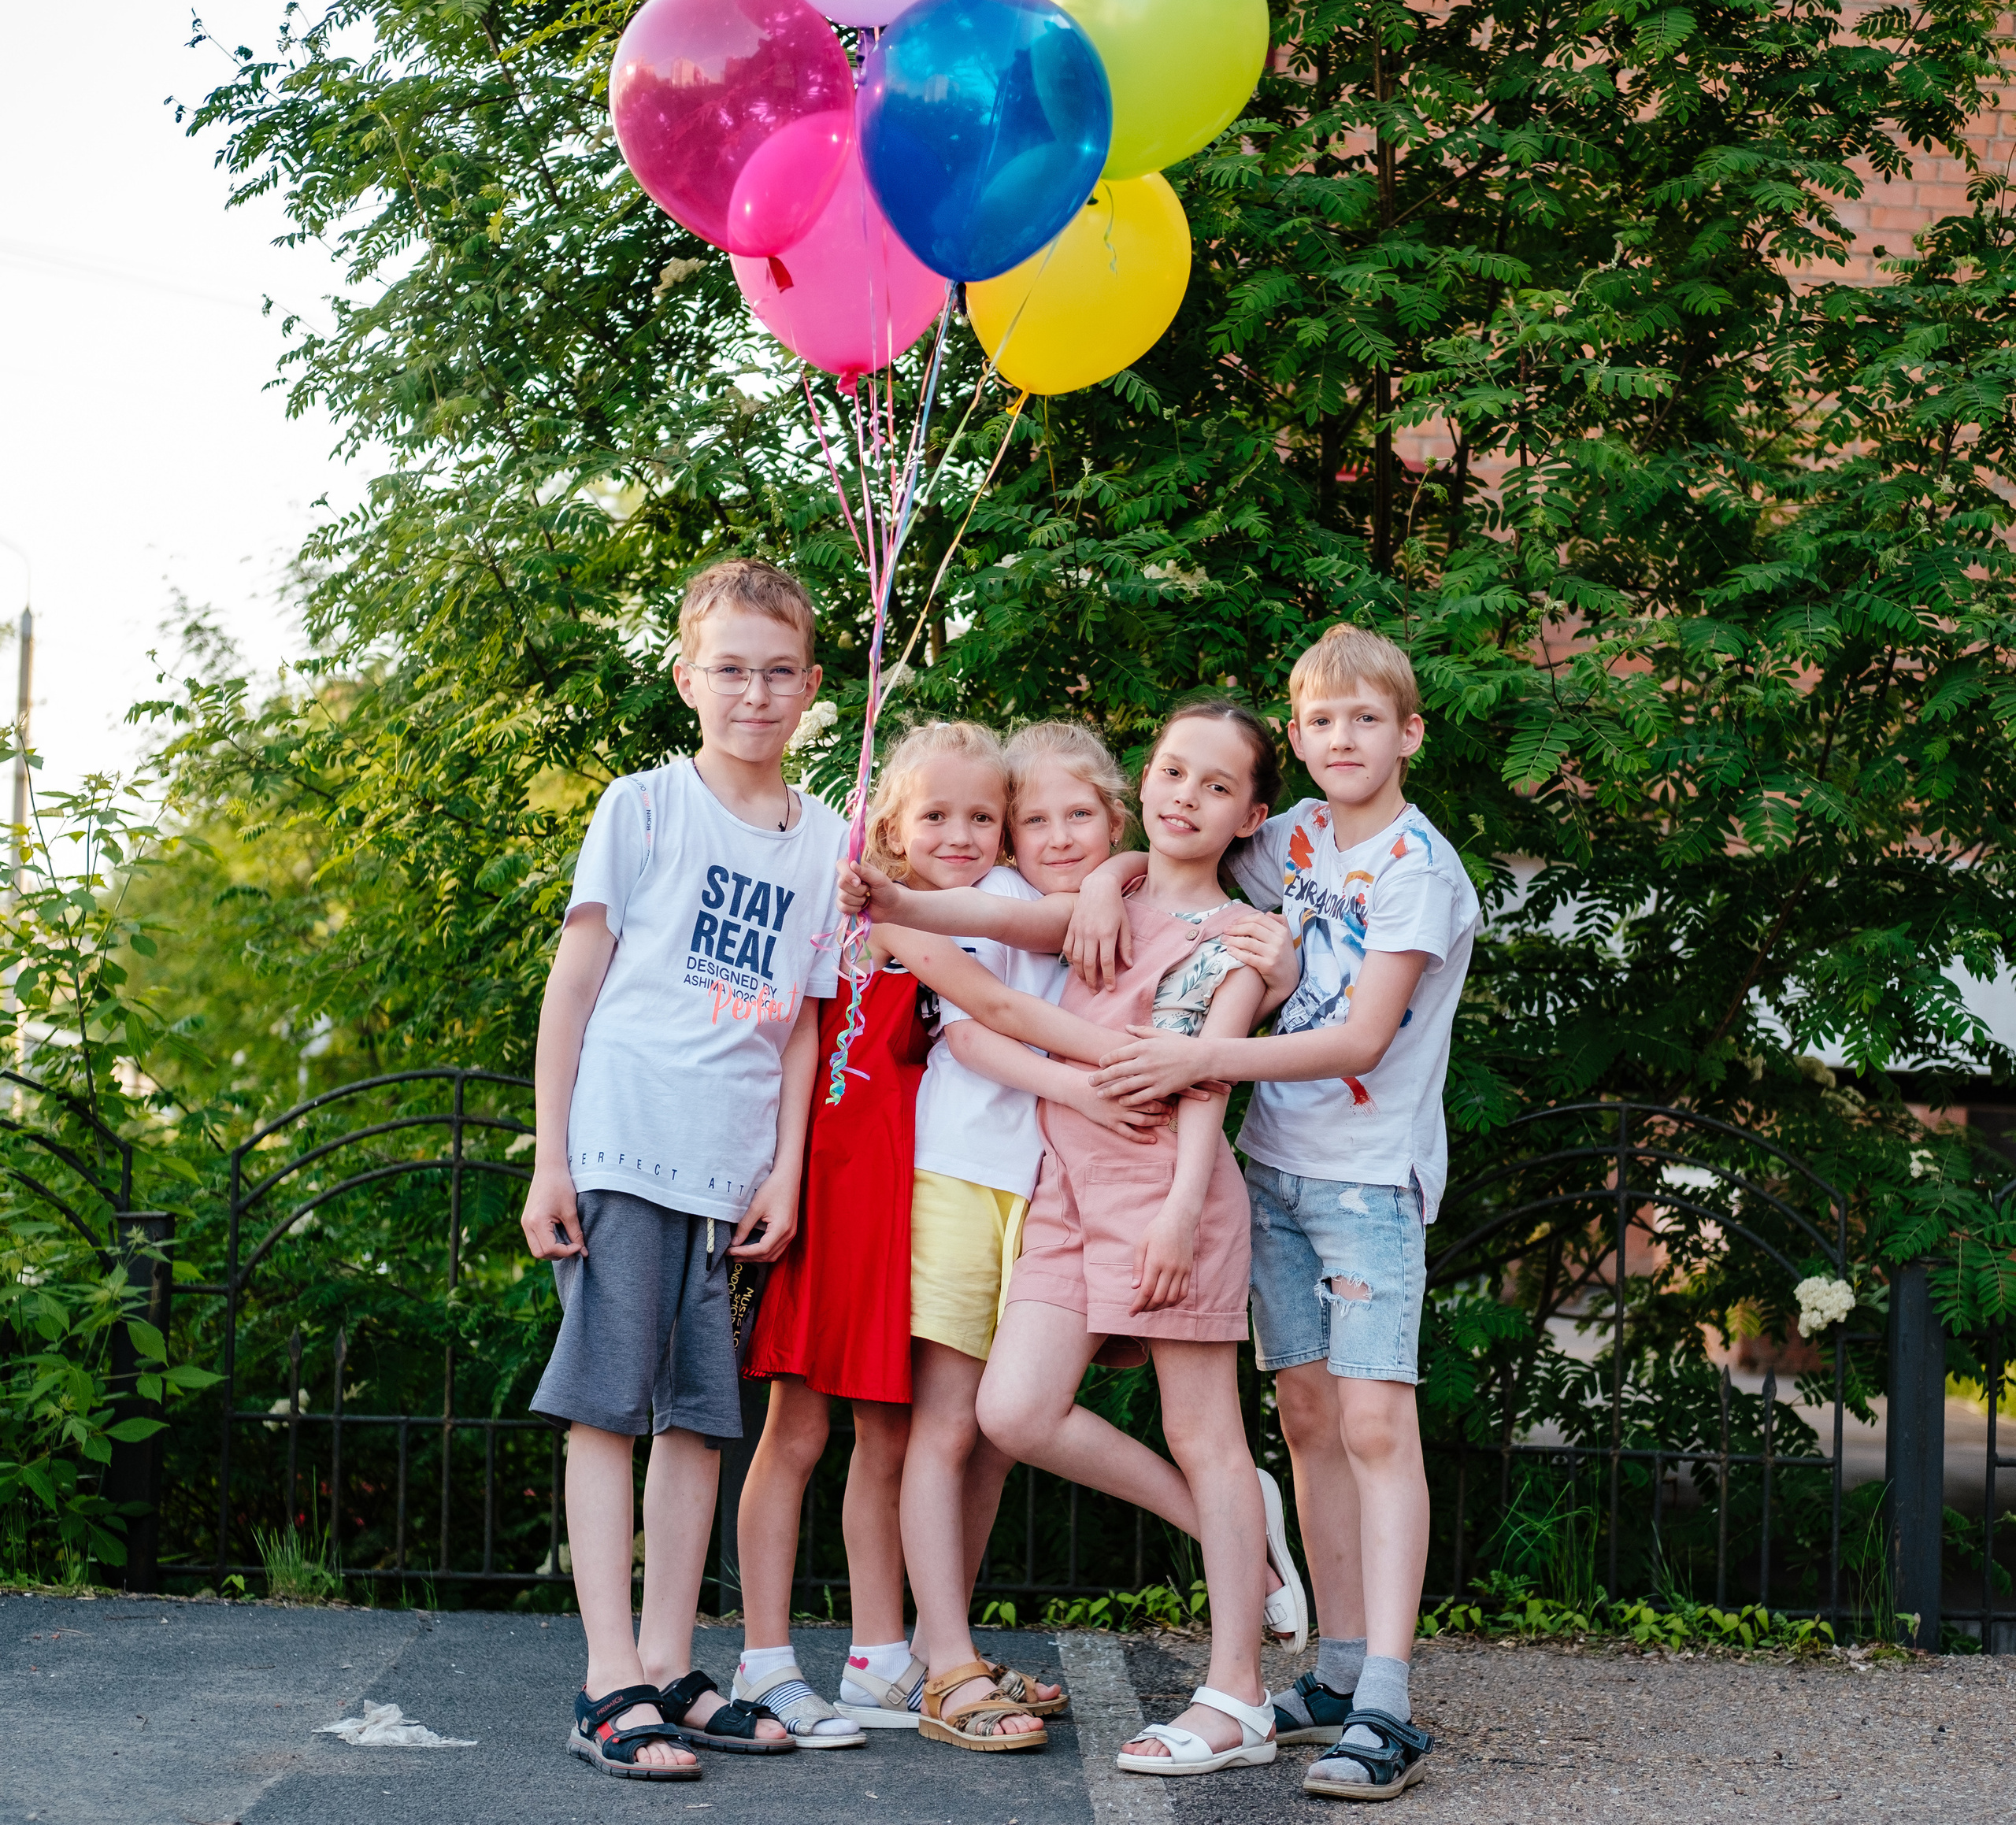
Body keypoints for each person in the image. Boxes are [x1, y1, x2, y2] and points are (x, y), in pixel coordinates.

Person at [850, 698, 1309, 1779]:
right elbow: (1000, 929)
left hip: (1163, 1190)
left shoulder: (1234, 939)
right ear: (1143, 783)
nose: (1186, 795)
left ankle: (1236, 1692)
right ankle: (1230, 1516)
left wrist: (1183, 1208)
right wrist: (893, 894)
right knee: (1013, 1408)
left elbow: (1207, 1086)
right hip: (1064, 1188)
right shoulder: (1107, 896)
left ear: (1252, 811)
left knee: (1208, 1434)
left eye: (1215, 784)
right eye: (1173, 772)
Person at [1088, 625, 1480, 1801]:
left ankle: (1390, 1703)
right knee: (1305, 1416)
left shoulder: (1418, 866)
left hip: (1367, 1178)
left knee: (1374, 1426)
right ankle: (1339, 1662)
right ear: (1297, 740)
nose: (1341, 738)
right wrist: (1110, 876)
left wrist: (1201, 1053)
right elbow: (1182, 860)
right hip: (1275, 1167)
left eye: (1366, 719)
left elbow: (1363, 1035)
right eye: (1318, 721)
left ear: (1409, 734)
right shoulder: (1298, 838)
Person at [519, 558, 843, 1779]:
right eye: (730, 669)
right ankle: (608, 1674)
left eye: (777, 672)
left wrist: (789, 1169)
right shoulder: (644, 806)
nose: (753, 693)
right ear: (686, 677)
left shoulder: (826, 839)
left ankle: (667, 1659)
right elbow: (577, 979)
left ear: (810, 686)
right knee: (609, 1404)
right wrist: (554, 1157)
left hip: (727, 1171)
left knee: (700, 1418)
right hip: (621, 1141)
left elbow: (807, 1019)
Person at [731, 721, 1016, 1745]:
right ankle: (764, 1658)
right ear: (889, 817)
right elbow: (801, 1030)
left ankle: (878, 1655)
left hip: (901, 1197)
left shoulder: (973, 914)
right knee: (797, 1429)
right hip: (835, 1186)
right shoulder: (862, 907)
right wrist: (786, 1173)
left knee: (890, 1437)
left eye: (981, 815)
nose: (959, 831)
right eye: (935, 812)